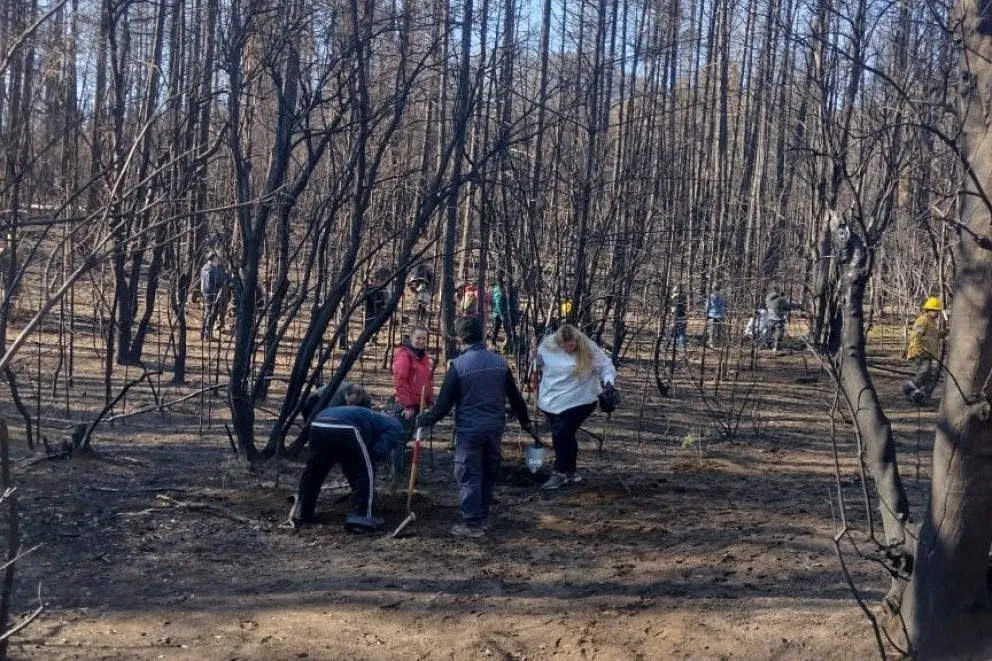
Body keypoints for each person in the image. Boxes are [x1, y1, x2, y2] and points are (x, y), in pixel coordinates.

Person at [416, 316, 532, 538]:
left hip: (470, 430)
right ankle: (483, 515)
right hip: (494, 428)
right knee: (488, 472)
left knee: (469, 474)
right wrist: (525, 420)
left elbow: (443, 406)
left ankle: (472, 524)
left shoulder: (458, 366)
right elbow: (516, 398)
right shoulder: (500, 363)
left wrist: (425, 420)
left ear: (460, 338)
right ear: (483, 335)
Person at [288, 405, 405, 533]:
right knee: (365, 471)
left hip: (318, 424)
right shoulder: (396, 427)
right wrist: (366, 461)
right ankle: (361, 518)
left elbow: (352, 452)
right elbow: (377, 451)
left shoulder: (371, 418)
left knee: (314, 471)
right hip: (345, 427)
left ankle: (305, 511)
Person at [534, 324, 617, 490]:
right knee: (565, 435)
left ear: (577, 342)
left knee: (562, 432)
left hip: (581, 398)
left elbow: (606, 366)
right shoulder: (547, 345)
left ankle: (559, 473)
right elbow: (540, 362)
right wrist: (534, 358)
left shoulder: (589, 348)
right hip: (551, 399)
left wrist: (608, 383)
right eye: (565, 347)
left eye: (571, 347)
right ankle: (570, 472)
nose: (568, 350)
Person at [391, 325, 435, 479]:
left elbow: (427, 381)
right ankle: (397, 474)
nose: (421, 341)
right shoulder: (404, 355)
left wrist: (430, 401)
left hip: (419, 403)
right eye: (418, 338)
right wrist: (407, 405)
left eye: (424, 338)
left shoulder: (423, 357)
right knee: (400, 439)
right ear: (411, 338)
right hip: (406, 406)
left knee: (409, 437)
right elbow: (400, 381)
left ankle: (403, 472)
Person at [295, 382, 373, 448]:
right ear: (346, 394)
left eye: (356, 404)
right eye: (351, 403)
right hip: (318, 400)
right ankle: (313, 442)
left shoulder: (366, 399)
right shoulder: (336, 396)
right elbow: (331, 419)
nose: (353, 406)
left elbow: (368, 418)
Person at [902, 296, 947, 404]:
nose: (937, 313)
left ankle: (918, 398)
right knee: (924, 372)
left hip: (929, 353)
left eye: (938, 311)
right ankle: (908, 387)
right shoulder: (922, 320)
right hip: (921, 352)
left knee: (927, 378)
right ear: (928, 310)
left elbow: (934, 336)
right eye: (935, 311)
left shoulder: (932, 323)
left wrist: (945, 332)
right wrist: (918, 350)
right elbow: (916, 335)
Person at [199, 253, 225, 340]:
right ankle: (208, 335)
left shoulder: (204, 267)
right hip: (213, 293)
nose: (218, 260)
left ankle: (203, 333)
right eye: (217, 258)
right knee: (212, 314)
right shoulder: (214, 269)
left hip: (205, 292)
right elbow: (218, 282)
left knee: (207, 313)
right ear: (214, 258)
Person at [363, 267, 391, 342]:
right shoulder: (370, 288)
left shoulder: (384, 290)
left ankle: (374, 336)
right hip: (370, 309)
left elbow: (386, 300)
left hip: (379, 309)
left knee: (377, 323)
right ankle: (367, 338)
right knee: (369, 323)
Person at [669, 287, 688, 352]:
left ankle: (665, 346)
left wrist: (673, 320)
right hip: (683, 318)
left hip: (677, 318)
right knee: (681, 334)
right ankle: (683, 348)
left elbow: (674, 310)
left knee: (670, 333)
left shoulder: (675, 300)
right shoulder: (683, 299)